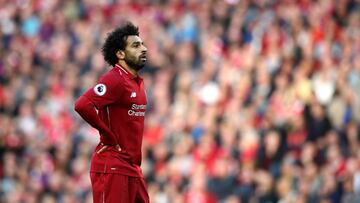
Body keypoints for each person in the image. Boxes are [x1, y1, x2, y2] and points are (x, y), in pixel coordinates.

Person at [74, 22, 150, 203]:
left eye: (143, 44)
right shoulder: (115, 78)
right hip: (112, 166)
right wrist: (107, 134)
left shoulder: (137, 82)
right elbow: (82, 104)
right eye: (136, 45)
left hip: (131, 167)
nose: (144, 49)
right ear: (120, 54)